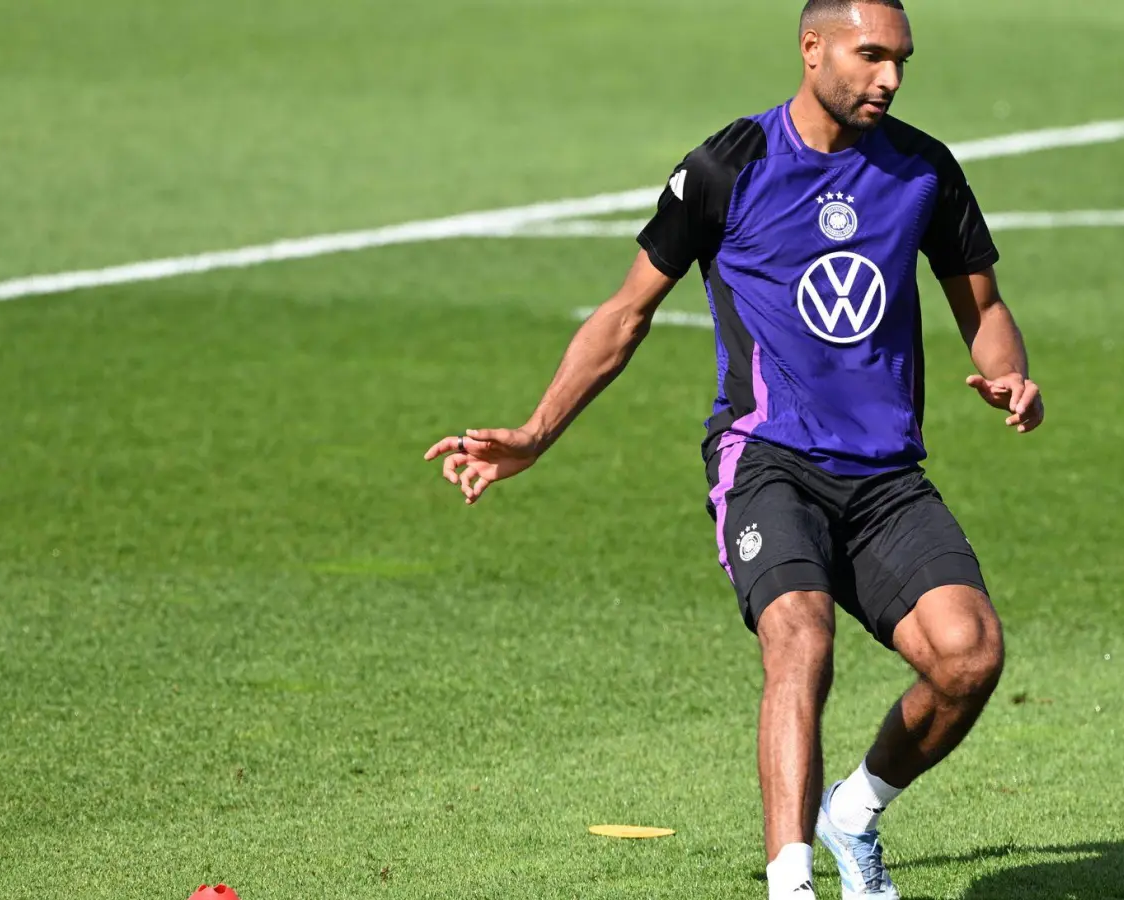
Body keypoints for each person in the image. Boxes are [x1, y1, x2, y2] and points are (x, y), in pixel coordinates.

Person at [423, 1, 1043, 897]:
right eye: (871, 56)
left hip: (883, 474)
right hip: (767, 458)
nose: (890, 78)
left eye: (902, 60)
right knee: (800, 634)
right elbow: (625, 313)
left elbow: (982, 306)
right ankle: (792, 882)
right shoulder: (727, 166)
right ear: (812, 48)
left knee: (968, 656)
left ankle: (853, 812)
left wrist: (1009, 373)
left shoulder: (923, 169)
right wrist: (535, 432)